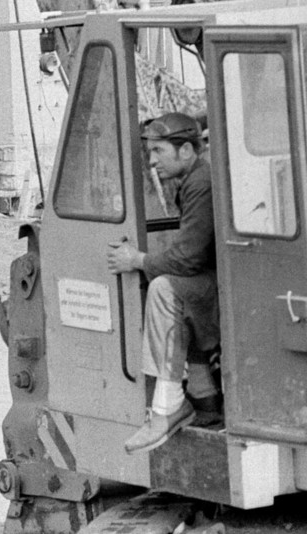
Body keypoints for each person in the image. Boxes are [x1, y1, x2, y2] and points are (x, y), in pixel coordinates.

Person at [106, 112, 220, 455]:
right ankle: (205, 399)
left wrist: (138, 260)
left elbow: (188, 258)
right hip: (222, 283)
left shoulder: (201, 181)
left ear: (185, 150)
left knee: (165, 290)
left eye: (158, 151)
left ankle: (168, 406)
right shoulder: (198, 177)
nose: (152, 161)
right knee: (181, 292)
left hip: (227, 289)